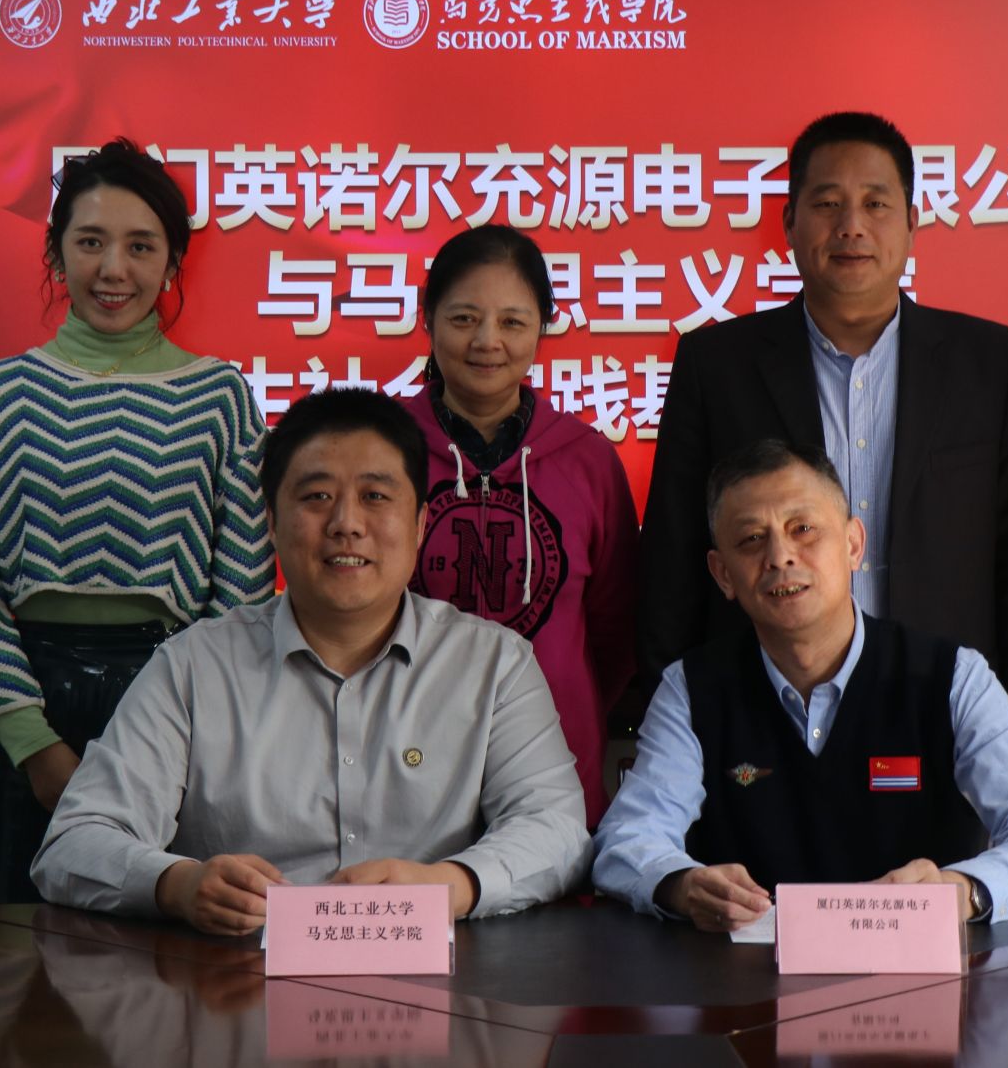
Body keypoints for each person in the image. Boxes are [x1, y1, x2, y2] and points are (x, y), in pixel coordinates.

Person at [32, 388, 590, 933]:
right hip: (230, 979)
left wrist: (449, 886)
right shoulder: (193, 666)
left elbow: (558, 830)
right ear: (273, 524)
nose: (347, 523)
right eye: (317, 496)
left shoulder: (494, 665)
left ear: (420, 524)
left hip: (444, 978)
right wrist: (177, 885)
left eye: (376, 496)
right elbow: (74, 842)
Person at [0, 139, 275, 909]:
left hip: (173, 700)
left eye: (141, 246)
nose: (114, 268)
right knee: (19, 953)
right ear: (56, 253)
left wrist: (188, 732)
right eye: (90, 242)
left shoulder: (221, 396)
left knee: (166, 947)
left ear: (173, 263)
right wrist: (34, 746)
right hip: (30, 705)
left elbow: (242, 593)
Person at [635, 111, 1008, 752]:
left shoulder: (991, 364)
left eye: (875, 203)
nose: (851, 226)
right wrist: (675, 733)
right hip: (757, 719)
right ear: (789, 223)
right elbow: (672, 560)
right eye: (827, 203)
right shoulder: (716, 365)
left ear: (911, 222)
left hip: (945, 717)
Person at [594, 439, 1008, 930]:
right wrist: (680, 886)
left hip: (917, 970)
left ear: (853, 545)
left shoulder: (952, 677)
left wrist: (961, 891)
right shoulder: (691, 689)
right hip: (744, 976)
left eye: (803, 529)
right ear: (723, 574)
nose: (780, 557)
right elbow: (626, 839)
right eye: (751, 540)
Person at [401, 225, 638, 825]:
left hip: (554, 763)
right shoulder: (382, 446)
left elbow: (615, 630)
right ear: (428, 320)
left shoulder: (587, 459)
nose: (488, 341)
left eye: (512, 321)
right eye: (464, 319)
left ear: (542, 328)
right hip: (401, 758)